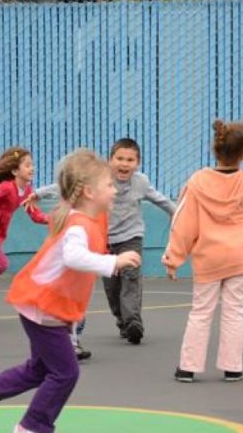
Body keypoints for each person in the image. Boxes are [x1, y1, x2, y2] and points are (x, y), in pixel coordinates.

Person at [0, 149, 141, 433]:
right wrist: (113, 261)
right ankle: (33, 426)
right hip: (41, 306)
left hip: (47, 306)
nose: (114, 190)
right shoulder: (78, 225)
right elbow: (73, 256)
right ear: (89, 192)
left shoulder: (87, 216)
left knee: (39, 370)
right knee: (66, 373)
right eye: (108, 185)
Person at [36, 138, 175, 345]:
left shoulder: (141, 182)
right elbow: (70, 185)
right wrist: (37, 193)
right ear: (110, 160)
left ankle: (133, 322)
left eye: (130, 160)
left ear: (137, 163)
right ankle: (121, 319)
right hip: (105, 239)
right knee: (112, 287)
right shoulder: (99, 179)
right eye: (119, 158)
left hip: (131, 236)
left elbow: (161, 200)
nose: (124, 164)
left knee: (131, 277)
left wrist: (180, 214)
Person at [163, 120, 243, 383]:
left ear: (215, 149)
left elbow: (183, 222)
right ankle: (232, 367)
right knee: (234, 310)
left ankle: (188, 367)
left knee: (201, 311)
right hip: (238, 256)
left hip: (208, 258)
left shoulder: (197, 182)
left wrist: (174, 257)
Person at [0, 147, 48, 298]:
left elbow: (35, 215)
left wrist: (55, 219)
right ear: (15, 171)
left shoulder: (27, 191)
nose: (32, 168)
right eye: (27, 165)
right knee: (0, 264)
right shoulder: (7, 188)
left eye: (32, 165)